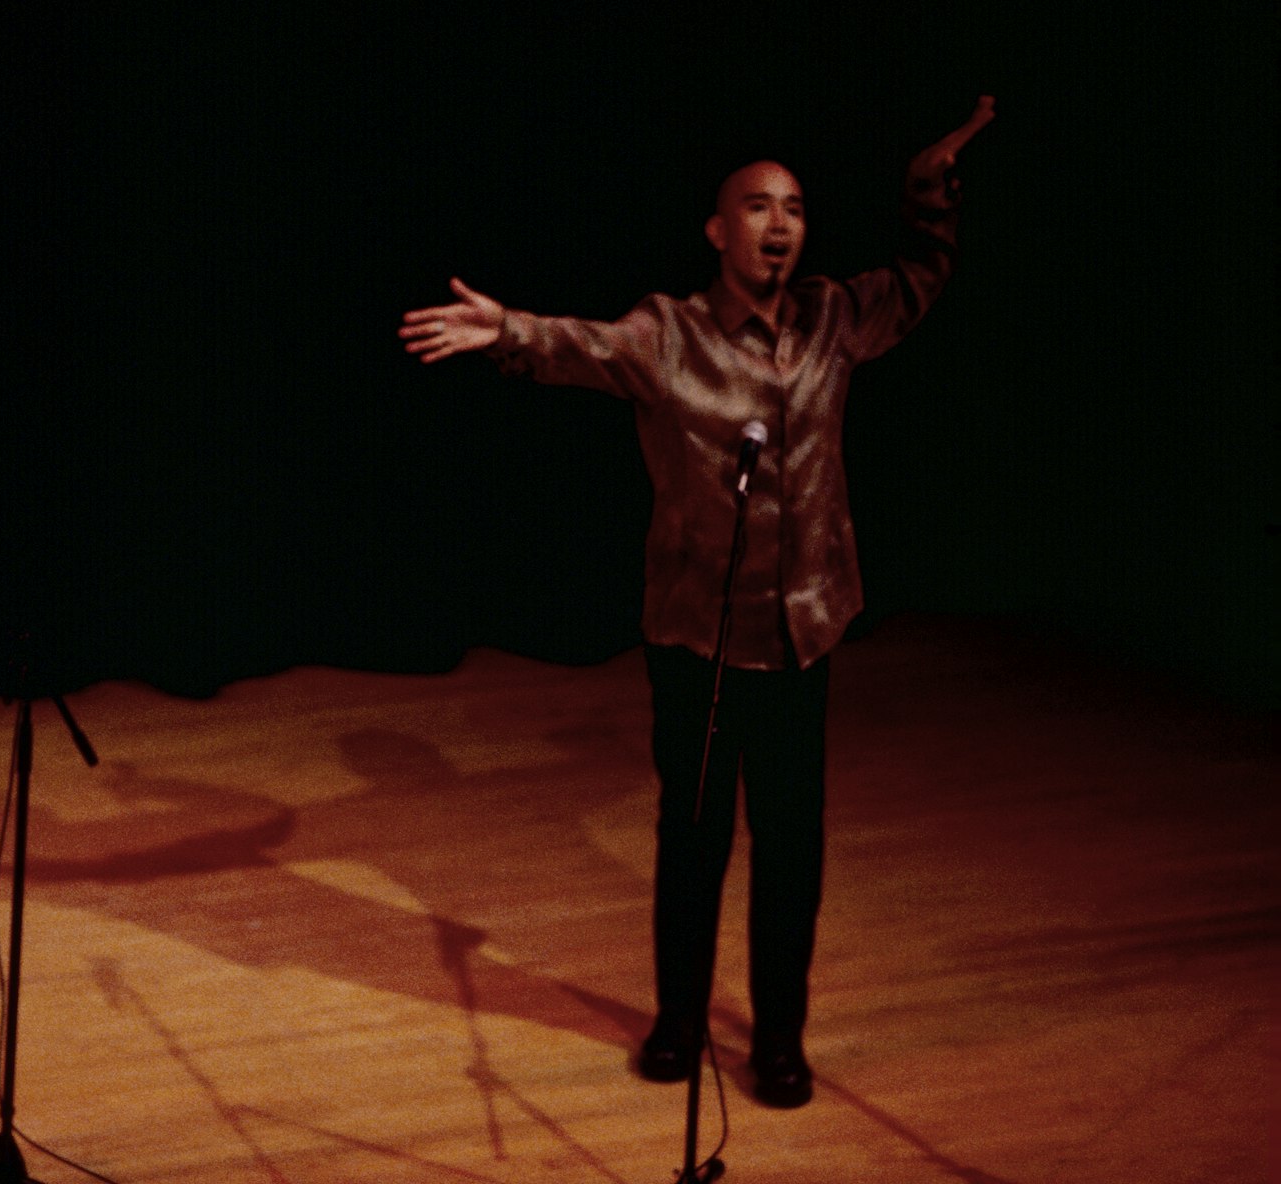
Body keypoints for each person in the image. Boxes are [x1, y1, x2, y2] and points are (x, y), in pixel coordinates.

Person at [400, 97, 994, 1108]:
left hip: (801, 634)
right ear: (718, 231)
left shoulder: (833, 319)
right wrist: (506, 330)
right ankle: (679, 1018)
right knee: (694, 835)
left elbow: (919, 280)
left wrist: (928, 191)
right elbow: (579, 345)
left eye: (794, 208)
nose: (779, 223)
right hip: (697, 635)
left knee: (791, 848)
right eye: (757, 206)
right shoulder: (668, 334)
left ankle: (780, 1035)